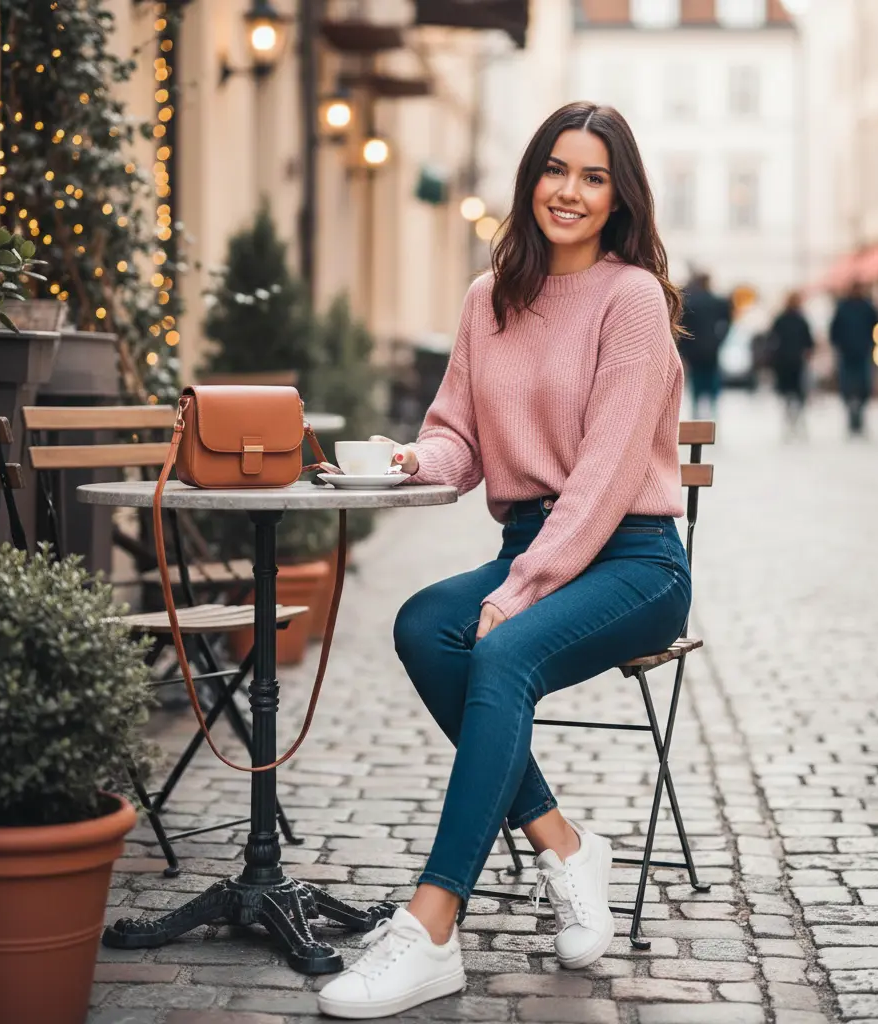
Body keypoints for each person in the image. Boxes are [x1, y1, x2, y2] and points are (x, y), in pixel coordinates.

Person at [317, 102, 692, 1019]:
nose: (570, 191)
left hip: (635, 562)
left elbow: (606, 476)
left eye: (594, 177)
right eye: (557, 169)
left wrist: (524, 589)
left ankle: (432, 925)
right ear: (530, 180)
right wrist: (412, 459)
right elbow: (459, 436)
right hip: (535, 547)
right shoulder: (490, 299)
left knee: (501, 651)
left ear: (619, 198)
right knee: (422, 625)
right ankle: (564, 842)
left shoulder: (631, 299)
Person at [830, 281, 878, 436]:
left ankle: (858, 410)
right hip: (848, 352)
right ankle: (852, 410)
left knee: (863, 384)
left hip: (862, 351)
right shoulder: (844, 307)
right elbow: (834, 329)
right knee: (849, 383)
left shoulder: (867, 307)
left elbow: (877, 326)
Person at [679, 271, 732, 418]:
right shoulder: (718, 301)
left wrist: (683, 348)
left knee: (697, 379)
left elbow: (682, 327)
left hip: (694, 348)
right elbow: (728, 322)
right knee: (712, 378)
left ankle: (697, 411)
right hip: (712, 347)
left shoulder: (690, 302)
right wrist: (719, 339)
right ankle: (713, 410)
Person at [768, 292, 815, 436]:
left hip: (783, 361)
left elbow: (771, 339)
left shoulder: (780, 319)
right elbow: (809, 342)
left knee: (787, 392)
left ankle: (790, 416)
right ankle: (796, 419)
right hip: (796, 361)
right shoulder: (801, 320)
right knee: (798, 392)